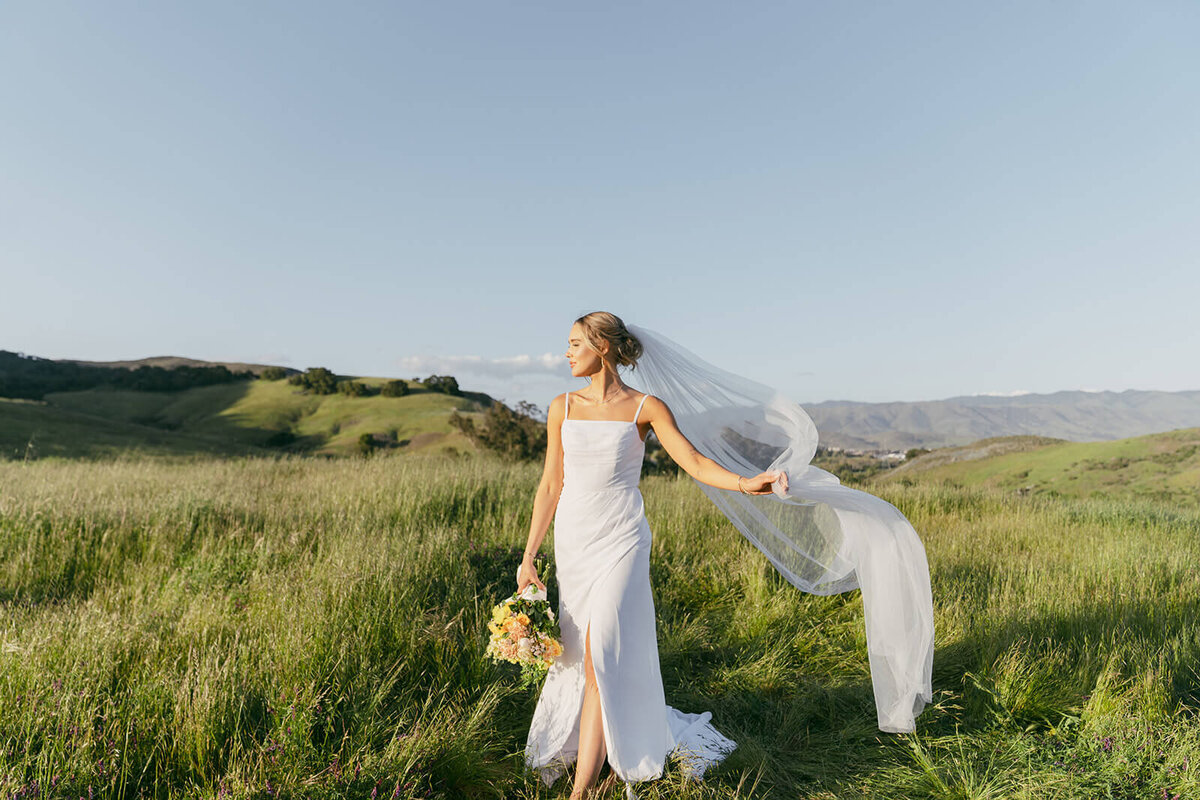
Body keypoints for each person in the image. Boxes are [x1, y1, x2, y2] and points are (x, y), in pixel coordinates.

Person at [517, 311, 786, 800]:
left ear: (602, 346)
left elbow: (697, 462)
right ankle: (594, 746)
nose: (566, 352)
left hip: (622, 539)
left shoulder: (646, 407)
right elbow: (551, 484)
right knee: (581, 654)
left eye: (575, 343)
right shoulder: (563, 407)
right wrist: (529, 556)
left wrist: (749, 483)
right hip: (574, 541)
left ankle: (582, 790)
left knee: (600, 654)